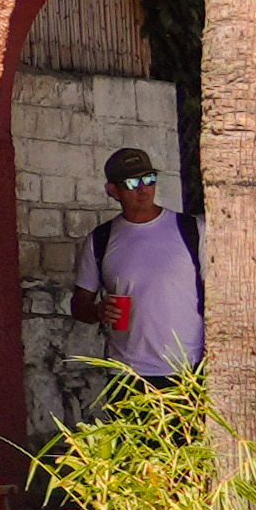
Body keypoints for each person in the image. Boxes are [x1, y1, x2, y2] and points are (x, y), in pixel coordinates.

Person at [73, 149, 203, 389]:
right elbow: (79, 304)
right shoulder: (101, 239)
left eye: (149, 179)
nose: (143, 189)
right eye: (132, 182)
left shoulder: (191, 229)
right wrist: (98, 312)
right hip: (127, 373)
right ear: (113, 190)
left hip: (189, 369)